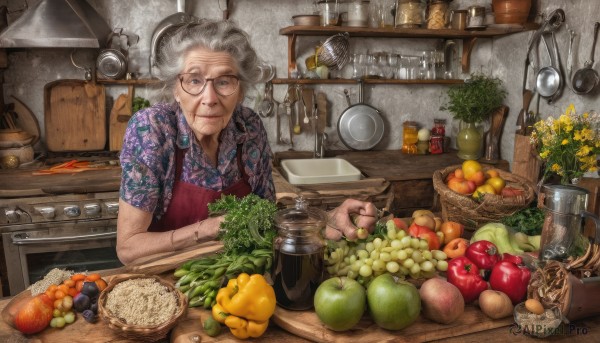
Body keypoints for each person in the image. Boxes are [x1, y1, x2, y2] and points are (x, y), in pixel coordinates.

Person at [116, 19, 377, 265]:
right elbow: (128, 248)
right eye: (194, 80)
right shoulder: (152, 130)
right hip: (166, 285)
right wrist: (205, 230)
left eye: (224, 81)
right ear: (176, 88)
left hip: (242, 281)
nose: (210, 98)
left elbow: (266, 221)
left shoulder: (249, 127)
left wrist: (327, 220)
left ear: (241, 91)